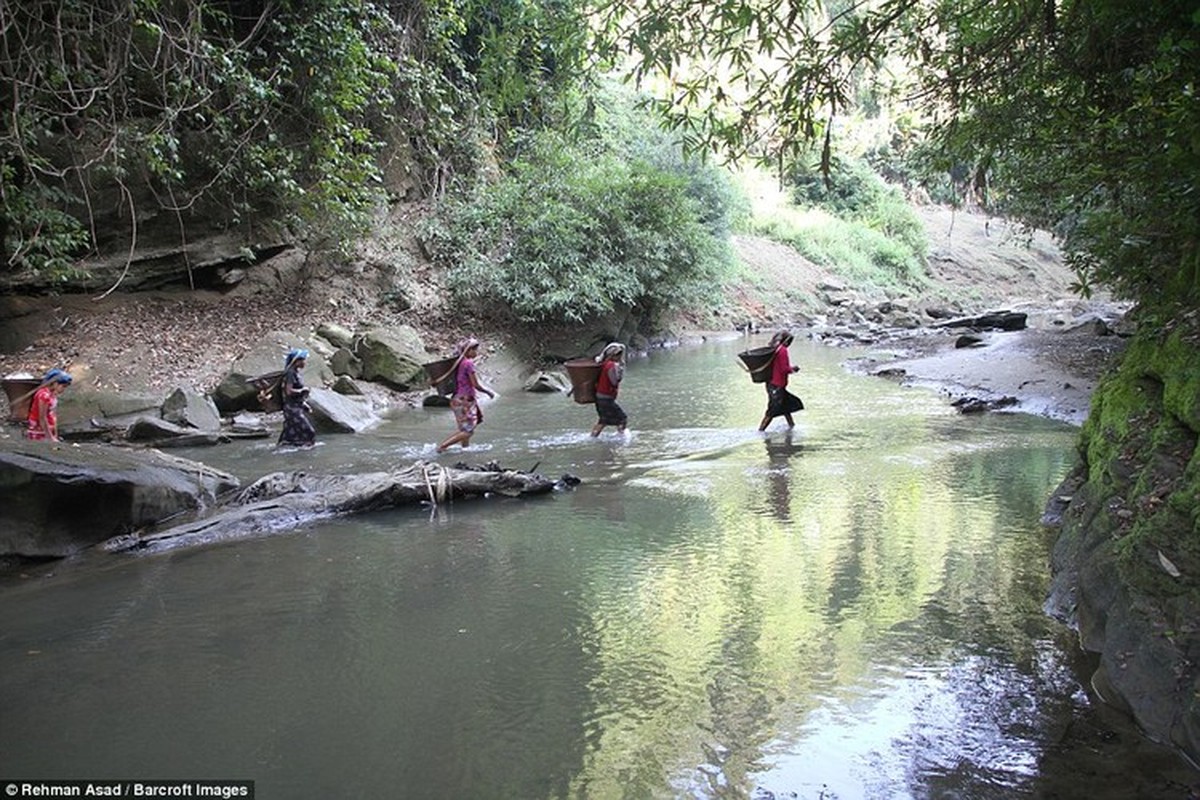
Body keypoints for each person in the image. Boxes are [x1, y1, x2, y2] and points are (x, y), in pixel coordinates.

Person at [437, 337, 495, 453]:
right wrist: (488, 392)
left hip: (456, 399)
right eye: (474, 350)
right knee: (468, 431)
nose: (476, 353)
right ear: (468, 351)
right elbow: (475, 384)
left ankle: (465, 450)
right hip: (465, 400)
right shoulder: (468, 363)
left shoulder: (458, 363)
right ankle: (442, 447)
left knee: (464, 429)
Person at [758, 330, 804, 431]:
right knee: (772, 410)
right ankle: (760, 431)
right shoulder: (783, 350)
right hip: (777, 385)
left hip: (772, 383)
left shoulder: (775, 348)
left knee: (786, 407)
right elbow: (784, 369)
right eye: (790, 342)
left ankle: (791, 427)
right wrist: (793, 369)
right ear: (787, 341)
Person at [278, 348, 317, 448]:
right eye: (303, 360)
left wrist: (304, 405)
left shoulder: (295, 373)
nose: (304, 362)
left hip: (295, 407)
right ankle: (307, 453)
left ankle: (287, 453)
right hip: (292, 409)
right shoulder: (290, 373)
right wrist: (302, 390)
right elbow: (289, 391)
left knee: (288, 436)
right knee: (309, 432)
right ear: (296, 361)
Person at [591, 342, 628, 437]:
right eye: (619, 355)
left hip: (600, 398)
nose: (620, 357)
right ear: (614, 355)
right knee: (622, 418)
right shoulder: (611, 366)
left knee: (603, 421)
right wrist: (620, 371)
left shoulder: (603, 364)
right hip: (606, 398)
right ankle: (621, 438)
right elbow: (614, 381)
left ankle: (592, 438)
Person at [26, 368, 72, 442]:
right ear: (55, 383)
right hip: (40, 430)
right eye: (63, 386)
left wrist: (55, 434)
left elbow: (53, 414)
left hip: (49, 428)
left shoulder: (52, 394)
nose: (63, 389)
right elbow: (42, 417)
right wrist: (50, 437)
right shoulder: (43, 395)